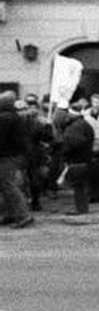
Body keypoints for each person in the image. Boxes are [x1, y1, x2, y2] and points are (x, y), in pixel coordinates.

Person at [0, 92, 34, 227]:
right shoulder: (14, 117)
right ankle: (10, 214)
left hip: (5, 156)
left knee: (8, 186)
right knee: (6, 186)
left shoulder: (4, 118)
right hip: (14, 155)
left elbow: (0, 140)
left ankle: (23, 215)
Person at [61, 101, 96, 216]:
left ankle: (81, 209)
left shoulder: (75, 127)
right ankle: (82, 208)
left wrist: (66, 153)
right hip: (85, 159)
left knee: (78, 186)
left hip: (77, 160)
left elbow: (75, 143)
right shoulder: (85, 124)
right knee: (81, 185)